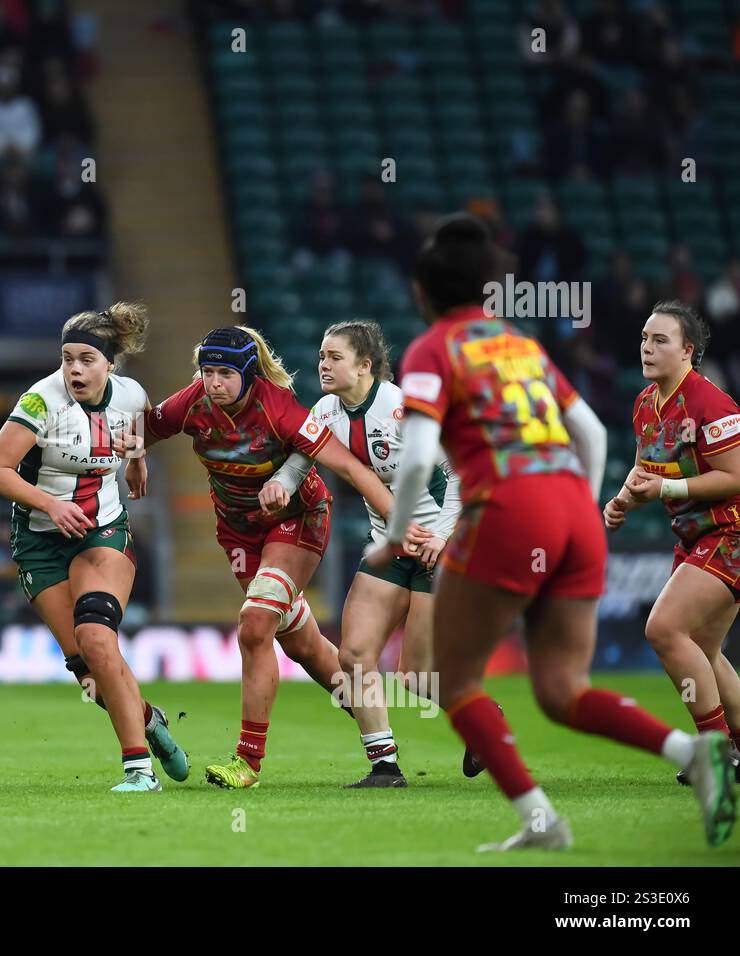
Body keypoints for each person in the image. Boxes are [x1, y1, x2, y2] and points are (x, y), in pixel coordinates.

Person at [366, 214, 735, 850]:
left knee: (447, 679)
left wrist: (395, 532)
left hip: (508, 511)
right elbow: (590, 434)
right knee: (563, 689)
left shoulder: (433, 348)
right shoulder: (519, 345)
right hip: (572, 511)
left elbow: (419, 454)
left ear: (423, 295)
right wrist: (580, 512)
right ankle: (696, 752)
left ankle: (542, 820)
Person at [133, 325, 394, 789]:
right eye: (207, 372)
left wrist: (400, 521)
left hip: (296, 521)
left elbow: (349, 466)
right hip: (237, 531)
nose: (213, 383)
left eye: (224, 374)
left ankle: (247, 762)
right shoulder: (192, 402)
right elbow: (145, 428)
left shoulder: (279, 410)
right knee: (303, 646)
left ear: (248, 374)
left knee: (255, 625)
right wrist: (135, 456)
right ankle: (382, 740)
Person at [0, 301, 187, 792]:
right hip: (39, 541)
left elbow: (135, 429)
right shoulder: (40, 402)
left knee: (98, 638)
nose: (74, 368)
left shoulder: (131, 395)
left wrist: (137, 462)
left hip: (102, 531)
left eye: (86, 359)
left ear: (110, 365)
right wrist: (50, 506)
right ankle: (151, 720)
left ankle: (138, 769)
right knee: (88, 673)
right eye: (67, 357)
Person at [268, 320, 462, 787]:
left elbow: (464, 473)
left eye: (334, 356)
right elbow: (302, 458)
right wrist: (281, 482)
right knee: (354, 654)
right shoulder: (328, 410)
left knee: (416, 677)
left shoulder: (404, 410)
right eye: (321, 355)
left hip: (440, 546)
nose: (323, 364)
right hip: (388, 544)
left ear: (365, 365)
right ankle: (385, 767)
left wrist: (445, 537)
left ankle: (484, 723)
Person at [604, 301, 740, 784]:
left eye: (660, 340)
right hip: (694, 537)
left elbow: (735, 476)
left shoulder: (711, 403)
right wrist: (623, 499)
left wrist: (667, 490)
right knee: (703, 649)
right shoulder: (646, 403)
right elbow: (646, 465)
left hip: (731, 531)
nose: (647, 346)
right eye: (644, 337)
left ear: (688, 351)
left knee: (662, 629)